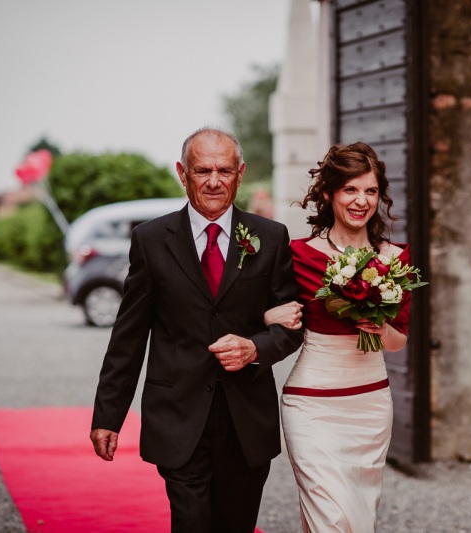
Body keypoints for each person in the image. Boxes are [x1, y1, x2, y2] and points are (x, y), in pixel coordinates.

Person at [89, 127, 305, 532]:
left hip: (245, 420)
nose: (213, 181)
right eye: (202, 169)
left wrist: (255, 348)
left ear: (240, 174)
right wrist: (108, 415)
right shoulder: (151, 240)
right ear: (182, 173)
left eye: (224, 170)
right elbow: (129, 335)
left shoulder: (270, 237)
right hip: (178, 415)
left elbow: (292, 324)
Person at [266, 142, 412, 532]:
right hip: (312, 406)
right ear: (329, 193)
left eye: (370, 191)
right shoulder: (296, 254)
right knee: (329, 517)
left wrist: (381, 329)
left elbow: (400, 341)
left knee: (359, 519)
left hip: (370, 406)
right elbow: (261, 310)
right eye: (350, 189)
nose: (361, 200)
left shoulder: (395, 259)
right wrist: (268, 313)